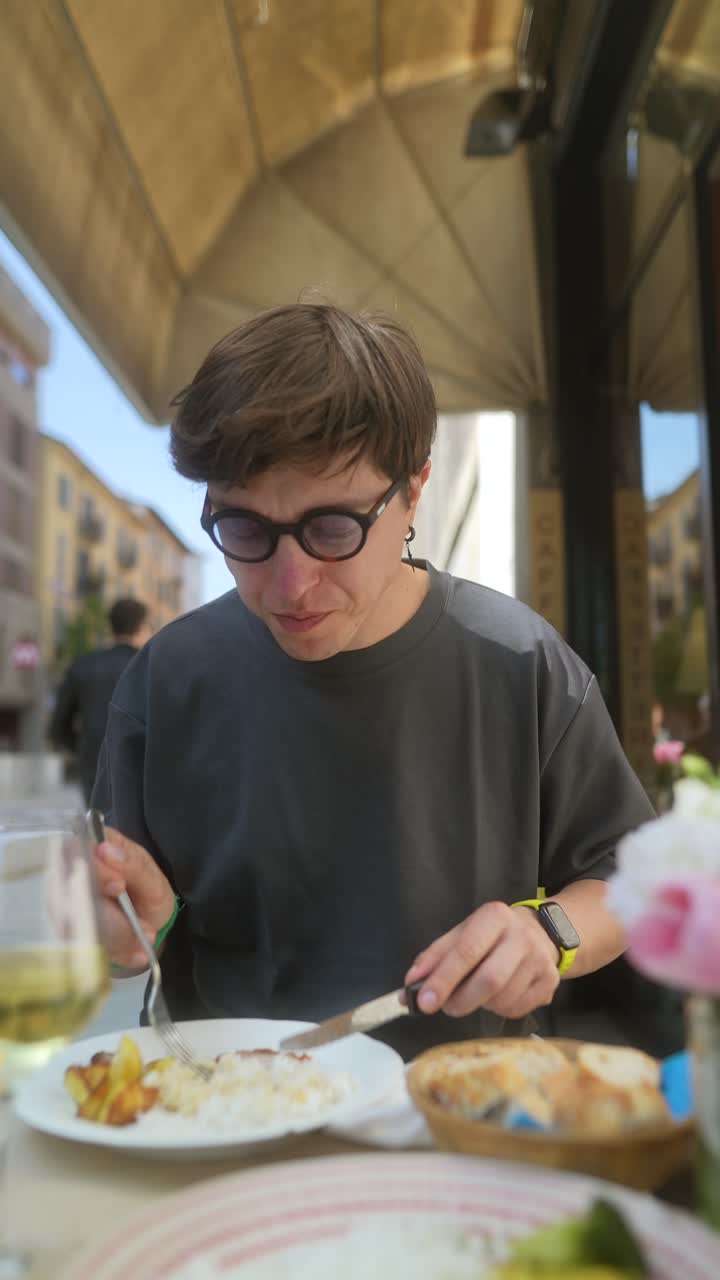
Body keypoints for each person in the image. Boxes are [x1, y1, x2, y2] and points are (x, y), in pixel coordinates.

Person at [92, 304, 655, 1060]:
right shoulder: (167, 681)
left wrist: (548, 932)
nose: (290, 585)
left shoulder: (521, 663)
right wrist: (128, 926)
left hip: (460, 1108)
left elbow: (634, 879)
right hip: (223, 1104)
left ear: (413, 491)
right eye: (246, 531)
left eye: (331, 529)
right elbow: (124, 921)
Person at [50, 597, 151, 805]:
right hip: (142, 768)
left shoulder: (83, 665)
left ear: (111, 626)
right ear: (141, 627)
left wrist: (81, 748)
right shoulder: (152, 665)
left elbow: (58, 725)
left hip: (93, 764)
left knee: (99, 830)